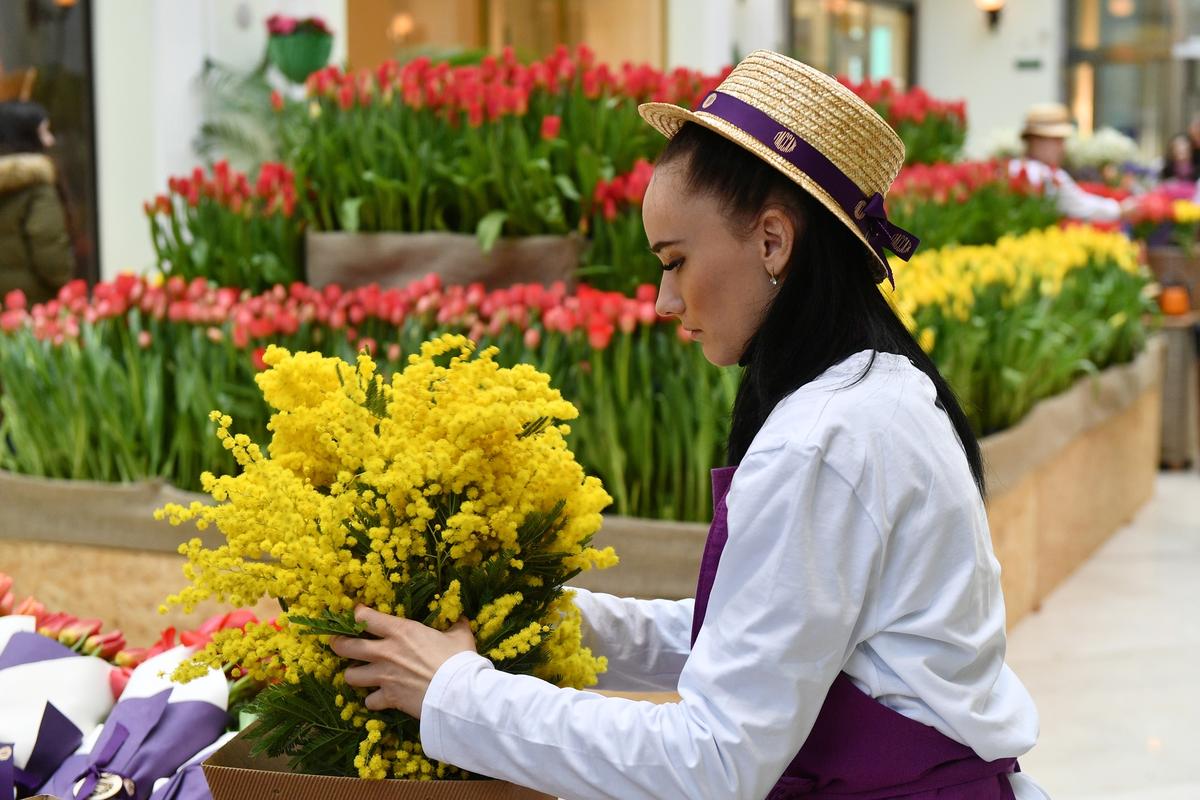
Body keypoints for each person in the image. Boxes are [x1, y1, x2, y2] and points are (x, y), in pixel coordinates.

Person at [329, 51, 1049, 799]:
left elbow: (711, 761)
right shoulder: (879, 394)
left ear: (773, 241)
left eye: (674, 261)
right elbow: (768, 637)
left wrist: (454, 691)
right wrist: (542, 621)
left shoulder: (825, 439)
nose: (665, 301)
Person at [0, 101, 75, 306]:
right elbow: (53, 262)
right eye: (43, 132)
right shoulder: (37, 189)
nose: (50, 141)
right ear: (23, 136)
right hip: (32, 313)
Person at [1008, 102, 1128, 223]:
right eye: (1057, 140)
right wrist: (1121, 209)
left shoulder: (1010, 168)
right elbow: (1081, 206)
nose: (1062, 147)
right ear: (1036, 140)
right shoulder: (1049, 175)